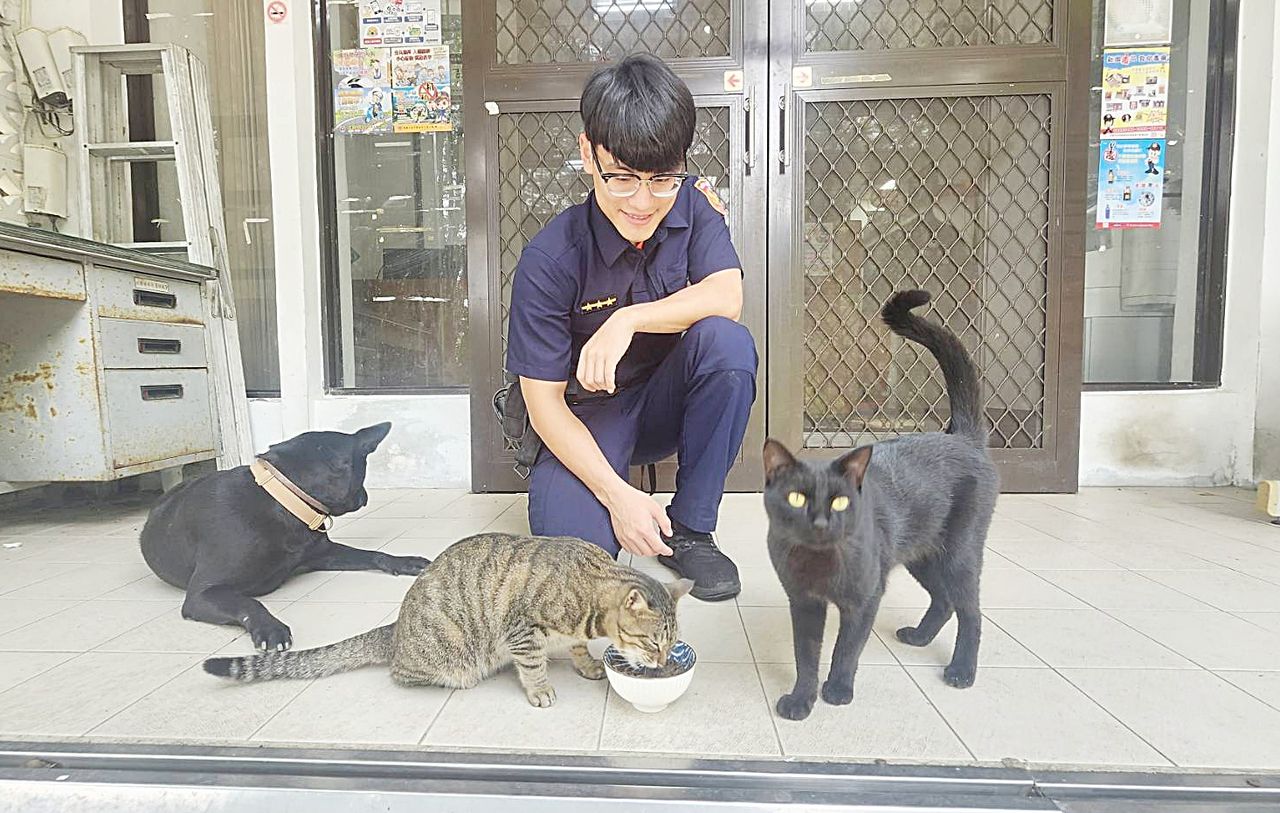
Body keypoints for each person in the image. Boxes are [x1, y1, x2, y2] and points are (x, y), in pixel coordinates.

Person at [504, 54, 757, 601]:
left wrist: (628, 319)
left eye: (661, 179)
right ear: (587, 153)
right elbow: (544, 406)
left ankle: (691, 530)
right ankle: (606, 500)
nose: (642, 202)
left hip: (664, 403)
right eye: (621, 178)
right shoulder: (550, 257)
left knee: (726, 343)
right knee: (575, 574)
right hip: (584, 416)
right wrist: (618, 497)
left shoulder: (691, 206)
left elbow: (727, 297)